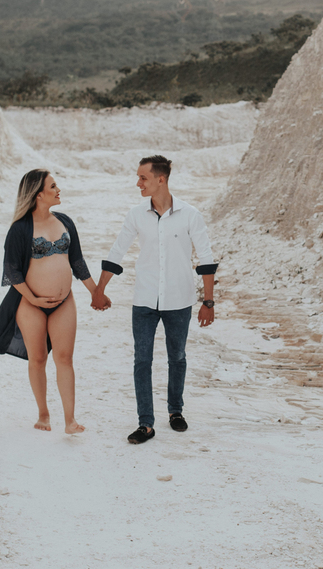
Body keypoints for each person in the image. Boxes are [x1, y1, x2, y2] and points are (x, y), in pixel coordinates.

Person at [92, 155, 217, 444]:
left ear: (161, 179)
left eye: (143, 178)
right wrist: (100, 289)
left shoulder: (190, 215)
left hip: (179, 300)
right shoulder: (136, 214)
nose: (138, 183)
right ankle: (145, 424)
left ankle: (175, 411)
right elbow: (118, 250)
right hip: (145, 299)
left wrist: (208, 302)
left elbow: (206, 258)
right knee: (142, 360)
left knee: (178, 357)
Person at [0, 169, 99, 435]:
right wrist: (33, 297)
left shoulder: (65, 221)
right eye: (53, 186)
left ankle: (70, 420)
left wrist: (95, 292)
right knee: (38, 358)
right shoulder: (20, 229)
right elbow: (12, 271)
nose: (58, 190)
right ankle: (43, 413)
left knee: (65, 358)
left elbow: (77, 261)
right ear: (39, 194)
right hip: (30, 303)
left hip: (64, 302)